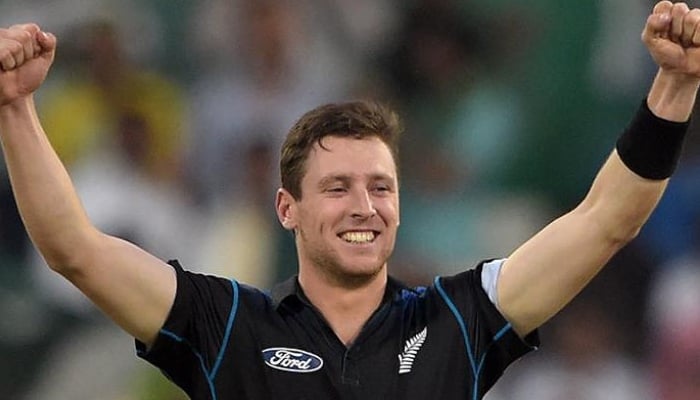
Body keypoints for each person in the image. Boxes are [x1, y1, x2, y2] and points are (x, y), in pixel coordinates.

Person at [0, 1, 697, 398]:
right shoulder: (226, 324)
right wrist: (16, 108)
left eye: (381, 187)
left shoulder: (460, 316)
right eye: (337, 188)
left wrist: (674, 89)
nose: (365, 205)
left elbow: (608, 220)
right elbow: (73, 250)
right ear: (287, 210)